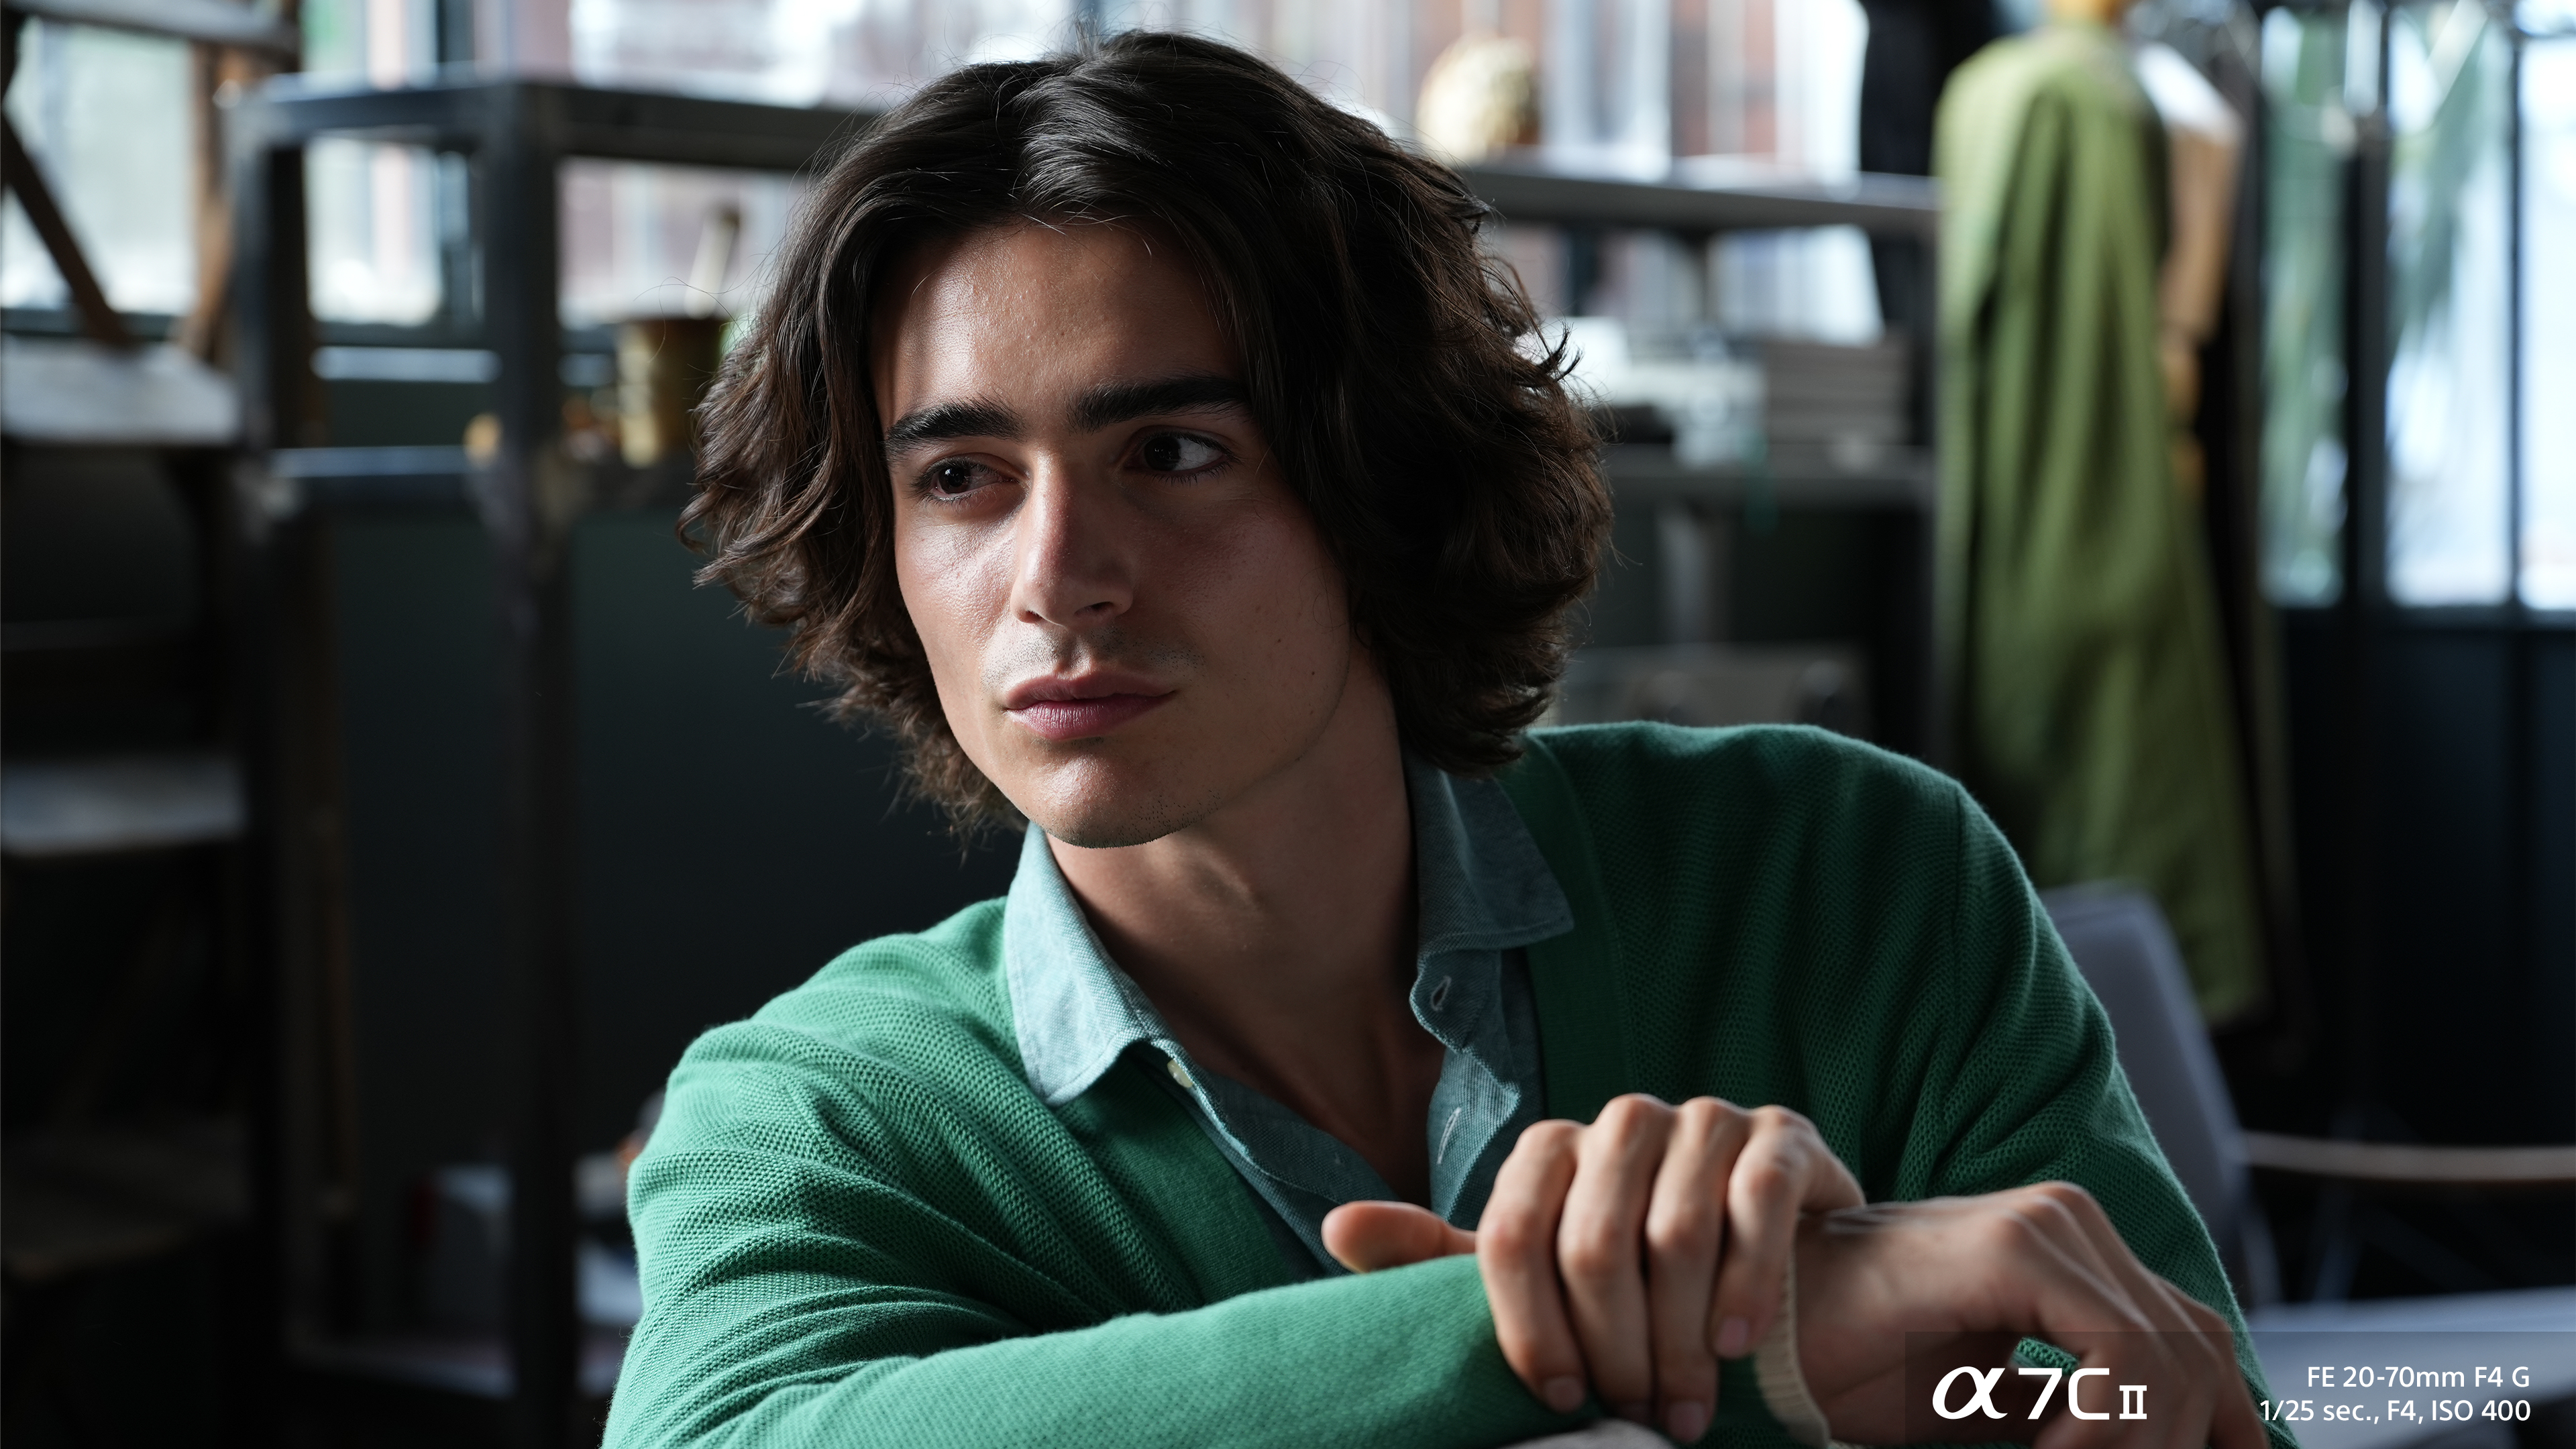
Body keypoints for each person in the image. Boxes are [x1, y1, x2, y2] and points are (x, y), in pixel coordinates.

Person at [604, 32, 2284, 1449]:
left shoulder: (1846, 879)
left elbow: (2170, 1404)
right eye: (960, 478)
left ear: (1380, 480)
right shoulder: (823, 1117)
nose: (1057, 581)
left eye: (1174, 454)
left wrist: (1962, 1385)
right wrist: (1626, 1324)